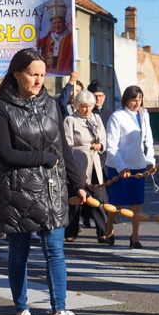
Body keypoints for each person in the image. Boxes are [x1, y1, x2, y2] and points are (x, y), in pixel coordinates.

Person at [0, 48, 87, 315]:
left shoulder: (50, 104)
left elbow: (62, 148)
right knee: (18, 253)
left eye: (42, 75)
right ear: (17, 74)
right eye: (33, 74)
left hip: (53, 187)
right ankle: (22, 311)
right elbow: (4, 152)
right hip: (18, 190)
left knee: (55, 250)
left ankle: (60, 311)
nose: (38, 80)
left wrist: (78, 182)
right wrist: (42, 159)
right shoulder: (2, 107)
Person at [104, 85, 156, 248]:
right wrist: (121, 167)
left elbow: (148, 140)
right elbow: (111, 146)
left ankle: (135, 237)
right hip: (119, 165)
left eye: (139, 99)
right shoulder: (117, 117)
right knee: (117, 204)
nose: (137, 103)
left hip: (138, 165)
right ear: (126, 100)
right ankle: (109, 226)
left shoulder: (144, 115)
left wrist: (150, 161)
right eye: (133, 99)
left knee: (136, 203)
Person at [63, 89, 109, 243]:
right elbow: (67, 144)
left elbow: (104, 138)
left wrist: (100, 145)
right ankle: (71, 231)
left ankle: (103, 231)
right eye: (83, 106)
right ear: (77, 106)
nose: (87, 109)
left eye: (89, 106)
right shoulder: (71, 120)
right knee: (76, 199)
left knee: (98, 199)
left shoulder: (96, 118)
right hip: (78, 164)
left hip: (94, 164)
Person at [37, 0, 74, 75]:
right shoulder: (48, 37)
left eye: (59, 22)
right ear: (51, 24)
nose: (57, 25)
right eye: (54, 23)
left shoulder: (70, 37)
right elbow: (36, 45)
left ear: (64, 23)